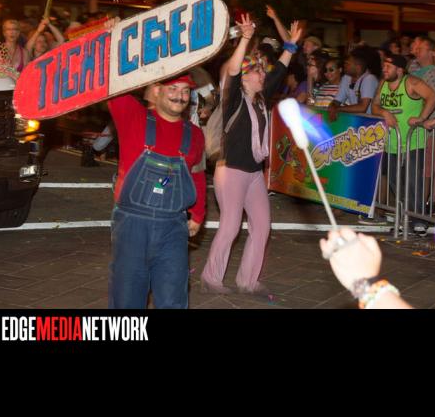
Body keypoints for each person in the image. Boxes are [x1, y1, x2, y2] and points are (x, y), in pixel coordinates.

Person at [200, 15, 304, 295]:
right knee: (231, 226)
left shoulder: (260, 99)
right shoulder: (233, 98)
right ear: (245, 78)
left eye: (262, 71)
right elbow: (233, 69)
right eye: (257, 71)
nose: (263, 74)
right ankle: (211, 278)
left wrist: (291, 45)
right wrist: (245, 38)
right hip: (232, 170)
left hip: (254, 172)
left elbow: (279, 70)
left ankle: (248, 281)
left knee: (262, 226)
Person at [107, 72, 206, 309]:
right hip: (132, 224)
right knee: (126, 299)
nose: (180, 96)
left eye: (185, 91)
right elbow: (111, 77)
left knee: (173, 299)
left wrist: (198, 213)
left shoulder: (195, 134)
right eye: (173, 88)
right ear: (156, 90)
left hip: (173, 226)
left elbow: (197, 174)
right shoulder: (132, 115)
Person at [369, 54, 435, 225]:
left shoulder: (411, 82)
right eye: (384, 66)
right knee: (395, 183)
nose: (384, 69)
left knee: (413, 182)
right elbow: (374, 106)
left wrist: (422, 117)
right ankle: (407, 218)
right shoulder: (383, 84)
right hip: (391, 142)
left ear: (399, 70)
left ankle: (419, 222)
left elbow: (432, 97)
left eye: (388, 66)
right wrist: (385, 112)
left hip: (413, 141)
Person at [328, 47, 379, 120]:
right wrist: (332, 106)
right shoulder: (346, 78)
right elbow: (337, 100)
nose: (344, 65)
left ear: (358, 67)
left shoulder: (369, 79)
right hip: (357, 120)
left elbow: (362, 108)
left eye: (347, 64)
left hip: (371, 121)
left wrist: (338, 109)